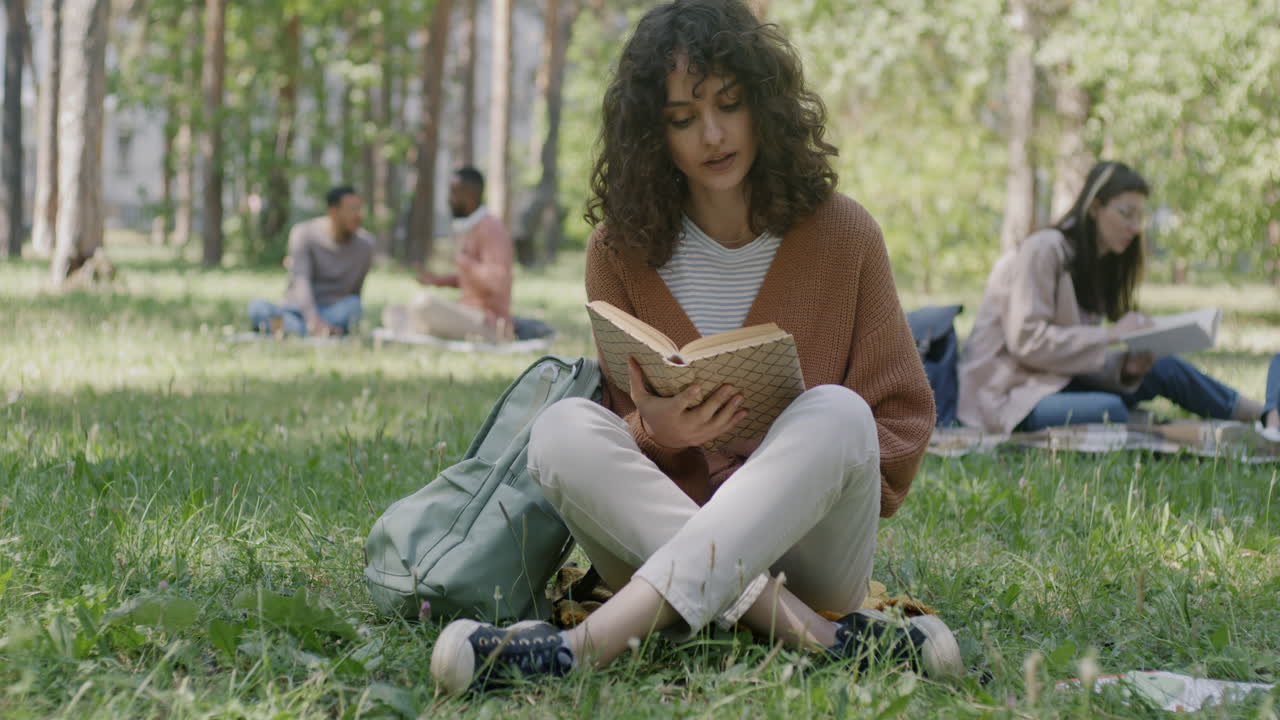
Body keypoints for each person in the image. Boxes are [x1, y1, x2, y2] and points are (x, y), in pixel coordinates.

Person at [428, 0, 963, 695]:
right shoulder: (618, 251)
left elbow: (894, 423)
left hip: (810, 554)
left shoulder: (846, 234)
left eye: (730, 104)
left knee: (837, 411)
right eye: (682, 118)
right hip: (658, 531)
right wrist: (655, 430)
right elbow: (622, 430)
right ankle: (823, 639)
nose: (711, 134)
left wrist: (775, 476)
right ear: (654, 133)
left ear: (764, 106)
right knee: (560, 428)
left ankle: (579, 649)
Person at [957, 161, 1266, 433]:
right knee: (1109, 409)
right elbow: (1027, 343)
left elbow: (1072, 354)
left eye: (1140, 217)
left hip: (1053, 380)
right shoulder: (1044, 248)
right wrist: (1110, 335)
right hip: (1010, 393)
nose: (1134, 227)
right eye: (1125, 213)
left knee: (1164, 368)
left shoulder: (1098, 263)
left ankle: (1262, 415)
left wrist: (1123, 368)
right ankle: (1173, 430)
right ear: (1094, 208)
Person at [381, 167, 518, 341]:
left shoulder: (491, 229)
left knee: (425, 304)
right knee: (393, 312)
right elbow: (473, 280)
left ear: (470, 195)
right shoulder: (471, 227)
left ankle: (429, 329)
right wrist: (437, 280)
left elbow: (497, 282)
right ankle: (430, 328)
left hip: (490, 323)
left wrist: (462, 261)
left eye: (454, 193)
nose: (449, 199)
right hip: (467, 313)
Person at [247, 186, 374, 337]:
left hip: (333, 312)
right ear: (333, 212)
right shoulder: (304, 233)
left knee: (354, 305)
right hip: (295, 310)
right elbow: (301, 281)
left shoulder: (366, 244)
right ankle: (314, 331)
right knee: (257, 308)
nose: (358, 215)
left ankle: (293, 331)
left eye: (360, 209)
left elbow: (355, 292)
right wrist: (313, 320)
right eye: (352, 209)